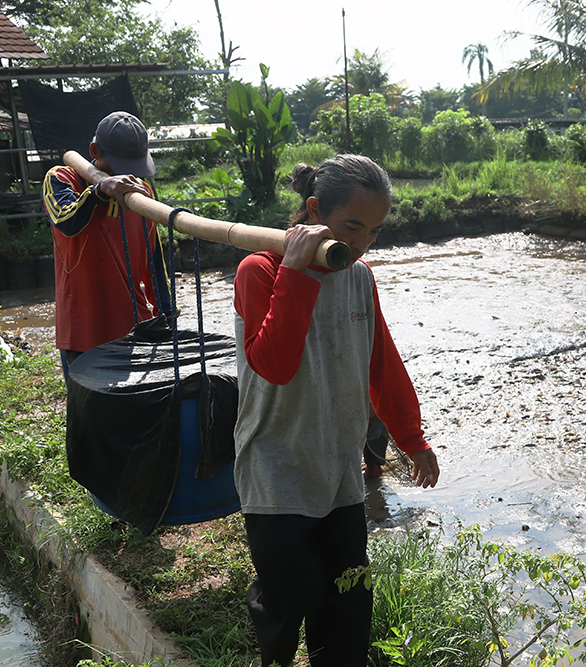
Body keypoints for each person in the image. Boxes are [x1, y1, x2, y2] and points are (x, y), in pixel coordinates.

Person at [232, 154, 440, 667]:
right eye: (353, 226)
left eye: (373, 230)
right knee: (288, 595)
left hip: (340, 467)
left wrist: (412, 439)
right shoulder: (259, 269)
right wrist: (296, 273)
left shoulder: (359, 277)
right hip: (277, 463)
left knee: (348, 598)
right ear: (312, 210)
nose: (363, 242)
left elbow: (381, 364)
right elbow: (275, 365)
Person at [43, 111, 170, 382]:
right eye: (118, 165)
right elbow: (67, 221)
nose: (127, 174)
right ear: (95, 152)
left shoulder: (141, 195)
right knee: (90, 415)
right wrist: (101, 192)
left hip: (135, 326)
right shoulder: (64, 180)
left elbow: (155, 261)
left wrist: (167, 314)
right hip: (85, 328)